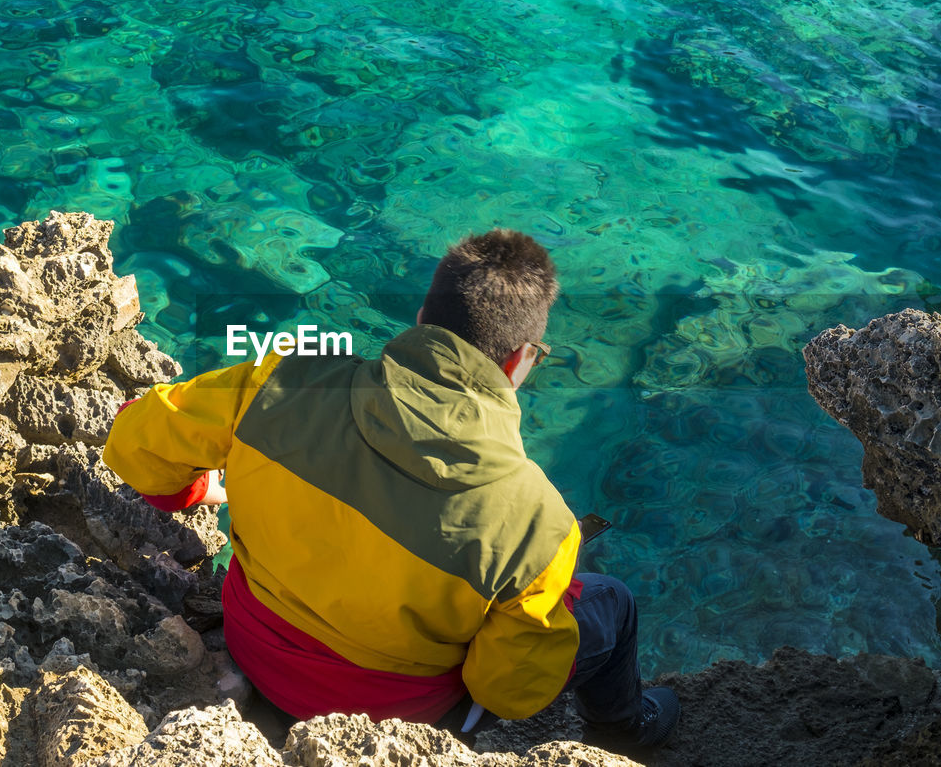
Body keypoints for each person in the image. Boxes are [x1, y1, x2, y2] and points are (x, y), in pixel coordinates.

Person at [102, 229, 678, 751]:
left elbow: (134, 444)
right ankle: (625, 730)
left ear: (424, 316)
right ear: (522, 359)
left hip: (254, 652)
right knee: (612, 605)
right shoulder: (539, 522)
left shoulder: (282, 378)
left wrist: (195, 489)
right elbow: (507, 691)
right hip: (394, 724)